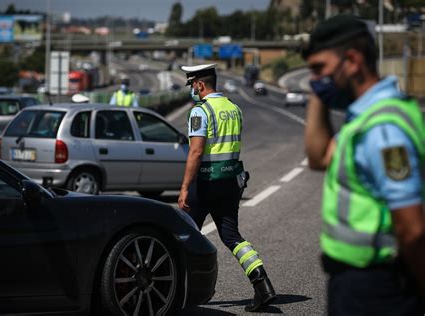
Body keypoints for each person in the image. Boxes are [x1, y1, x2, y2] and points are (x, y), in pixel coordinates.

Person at [303, 14, 425, 315]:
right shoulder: (364, 119)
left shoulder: (383, 131)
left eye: (320, 69)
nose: (315, 80)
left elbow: (411, 229)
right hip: (358, 284)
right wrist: (320, 93)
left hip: (378, 289)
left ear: (353, 61)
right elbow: (319, 157)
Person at [178, 63, 276, 312]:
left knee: (186, 236)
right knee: (232, 237)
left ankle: (181, 292)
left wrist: (185, 187)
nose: (192, 89)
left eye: (192, 84)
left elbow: (197, 151)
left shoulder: (201, 111)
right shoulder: (234, 108)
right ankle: (262, 285)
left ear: (200, 84)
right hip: (231, 183)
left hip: (207, 183)